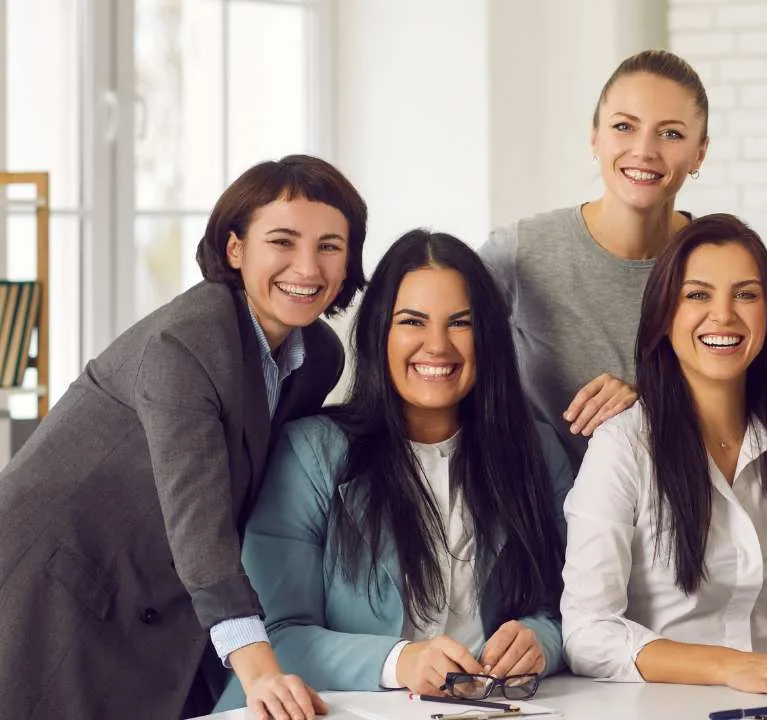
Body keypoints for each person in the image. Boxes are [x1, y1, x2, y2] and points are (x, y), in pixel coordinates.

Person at [0, 154, 367, 719]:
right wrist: (261, 670)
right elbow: (201, 516)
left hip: (156, 589)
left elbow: (268, 488)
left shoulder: (319, 355)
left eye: (329, 246)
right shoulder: (187, 341)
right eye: (283, 241)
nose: (307, 267)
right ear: (235, 249)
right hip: (51, 587)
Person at [214, 230, 570, 710]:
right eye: (412, 321)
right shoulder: (313, 453)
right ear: (378, 332)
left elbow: (576, 610)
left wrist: (539, 640)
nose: (437, 346)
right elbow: (277, 635)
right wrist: (400, 661)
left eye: (460, 323)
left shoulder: (537, 452)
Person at [561, 214, 767, 698]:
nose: (723, 315)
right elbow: (588, 632)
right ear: (663, 315)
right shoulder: (623, 447)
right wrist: (730, 668)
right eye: (698, 295)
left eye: (746, 295)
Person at [480, 48, 708, 467]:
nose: (644, 150)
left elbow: (750, 404)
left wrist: (648, 407)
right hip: (543, 515)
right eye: (624, 127)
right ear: (595, 138)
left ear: (700, 152)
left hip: (680, 510)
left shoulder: (717, 262)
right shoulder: (521, 250)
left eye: (671, 134)